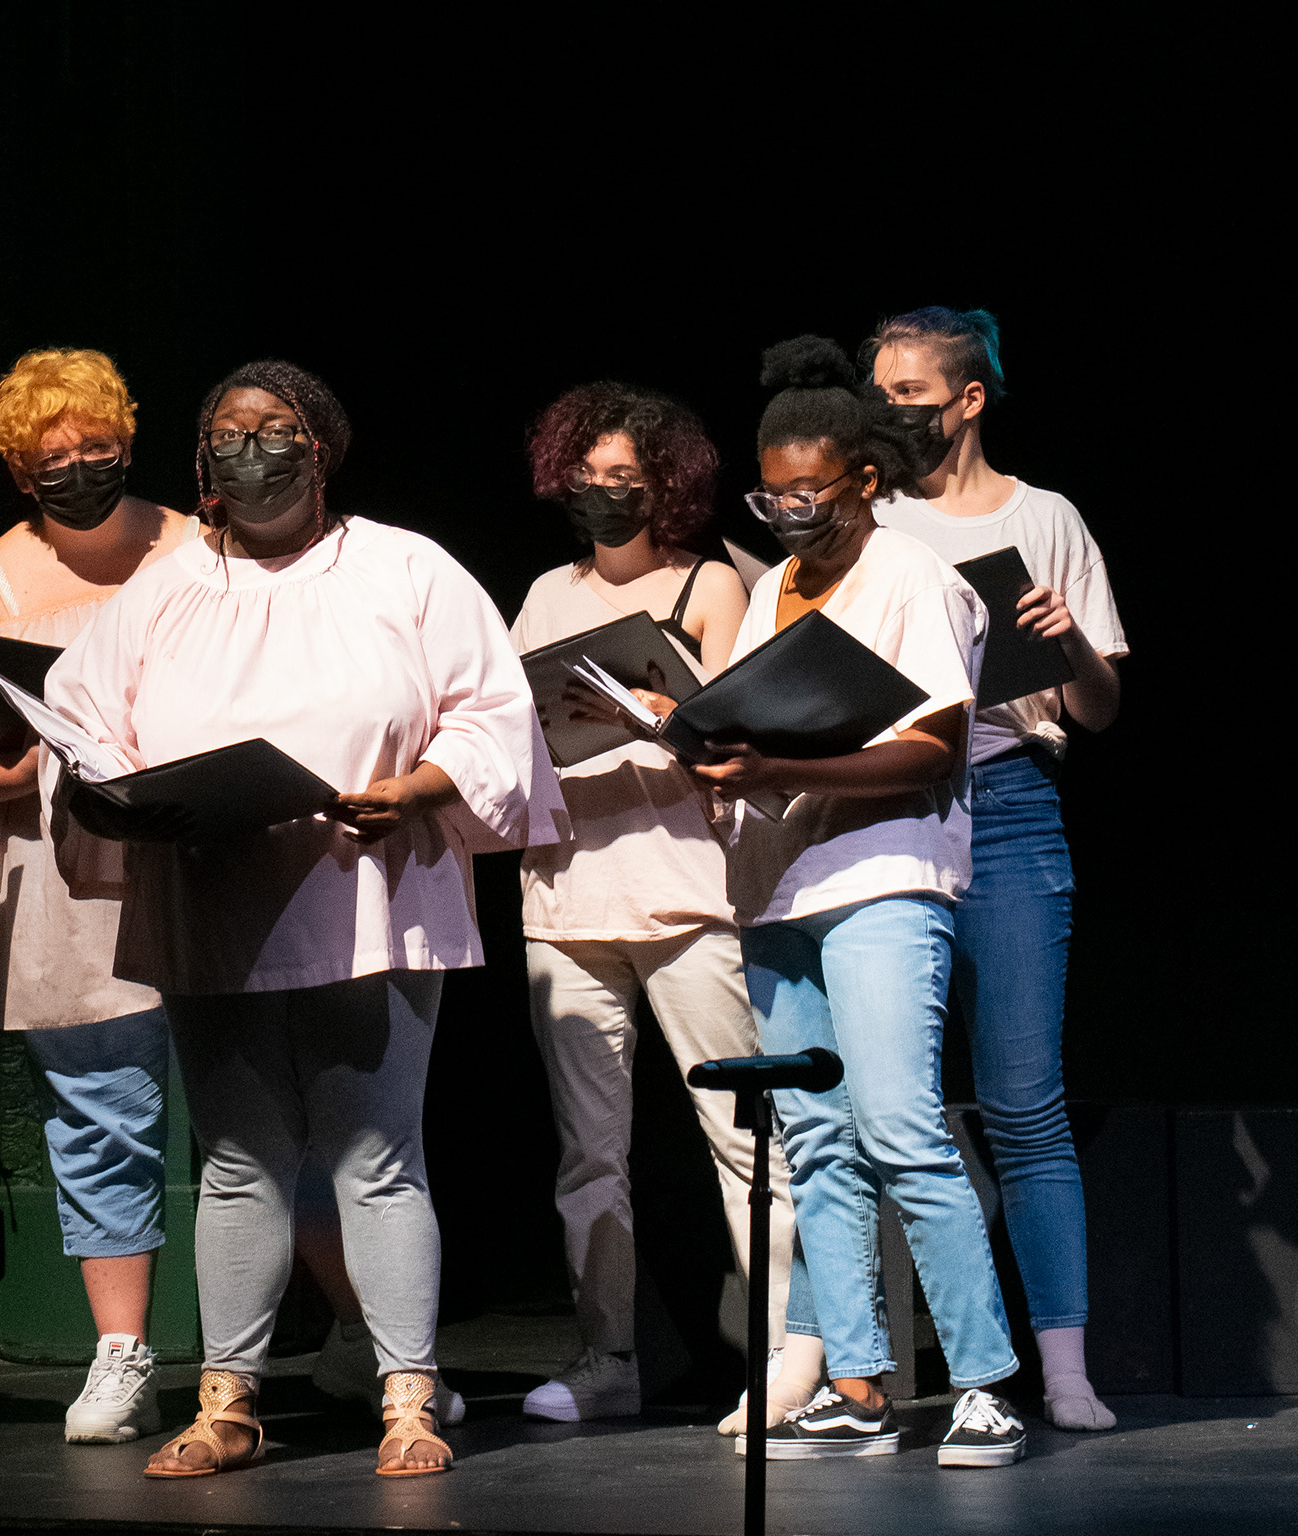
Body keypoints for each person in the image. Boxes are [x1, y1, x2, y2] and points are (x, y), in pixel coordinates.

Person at [44, 360, 566, 1478]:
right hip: (213, 894)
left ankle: (408, 1398)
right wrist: (127, 796)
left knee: (376, 1158)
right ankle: (228, 1402)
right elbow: (82, 722)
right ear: (201, 460)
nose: (250, 448)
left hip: (364, 889)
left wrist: (418, 788)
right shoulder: (164, 590)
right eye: (227, 432)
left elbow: (491, 708)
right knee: (237, 1161)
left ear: (320, 448)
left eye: (274, 428)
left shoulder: (403, 568)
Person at [678, 337, 1026, 1467]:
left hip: (883, 880)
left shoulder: (913, 578)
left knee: (900, 1128)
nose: (788, 514)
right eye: (770, 496)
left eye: (809, 495)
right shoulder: (771, 590)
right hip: (780, 889)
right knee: (817, 1143)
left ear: (866, 479)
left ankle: (983, 1385)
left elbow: (934, 748)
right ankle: (859, 1385)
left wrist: (779, 767)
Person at [0, 348, 199, 1444]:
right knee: (100, 1112)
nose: (76, 466)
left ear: (129, 438)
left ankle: (344, 1335)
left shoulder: (197, 552)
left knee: (263, 1103)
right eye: (49, 457)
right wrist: (9, 768)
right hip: (60, 883)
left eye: (94, 444)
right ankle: (124, 1355)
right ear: (20, 472)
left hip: (192, 850)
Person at [508, 382, 795, 1426]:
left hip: (686, 898)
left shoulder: (709, 583)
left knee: (743, 1138)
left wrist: (671, 716)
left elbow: (742, 735)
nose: (603, 491)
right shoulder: (546, 593)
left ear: (663, 483)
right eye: (587, 475)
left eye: (624, 476)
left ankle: (789, 1358)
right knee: (589, 1153)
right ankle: (610, 1357)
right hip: (568, 901)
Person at [866, 307, 1126, 1431]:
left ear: (968, 399)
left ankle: (1062, 1369)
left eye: (910, 393)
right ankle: (875, 1365)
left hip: (1011, 805)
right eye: (880, 393)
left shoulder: (1045, 517)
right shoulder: (870, 517)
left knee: (1025, 1104)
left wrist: (1066, 638)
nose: (890, 412)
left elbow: (1099, 709)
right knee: (886, 1106)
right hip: (888, 809)